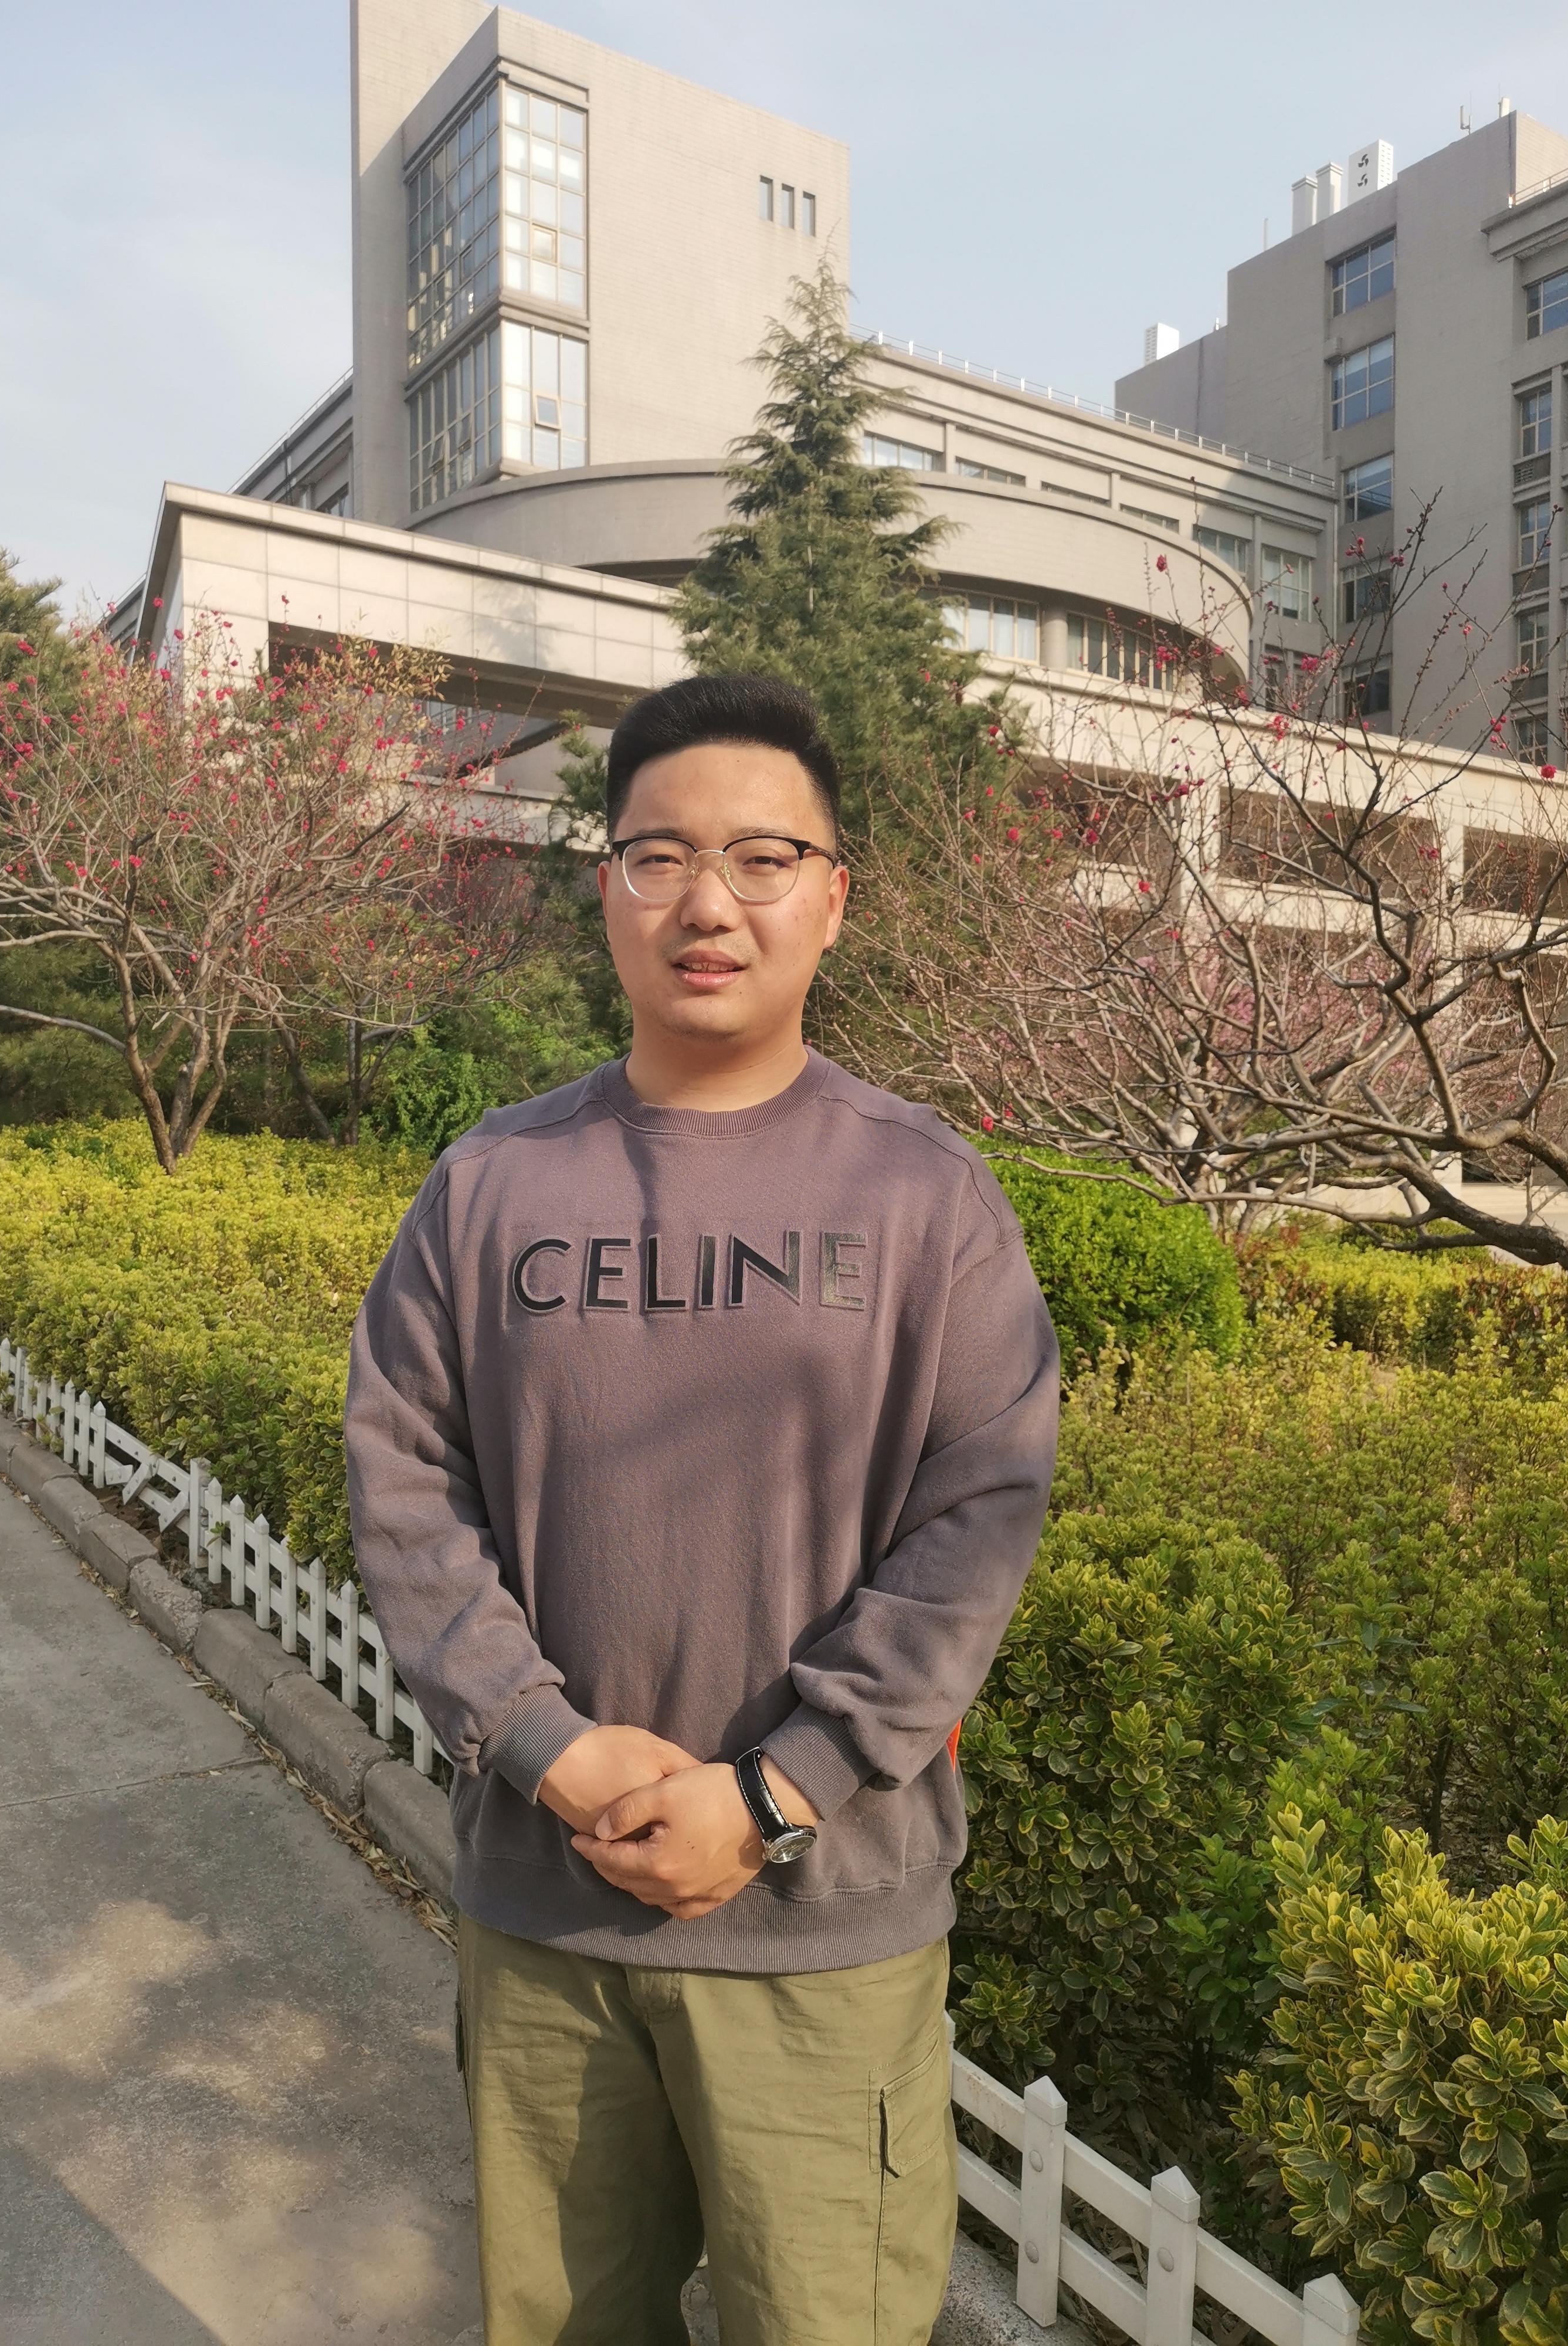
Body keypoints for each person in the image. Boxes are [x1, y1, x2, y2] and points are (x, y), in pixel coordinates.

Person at [345, 672, 1059, 2346]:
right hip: (551, 1917)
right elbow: (404, 1480)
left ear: (835, 896)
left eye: (761, 856)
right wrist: (546, 1745)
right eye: (658, 855)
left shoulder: (925, 1195)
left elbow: (977, 1520)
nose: (708, 903)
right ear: (607, 886)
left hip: (822, 1933)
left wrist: (779, 1793)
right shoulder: (493, 1185)